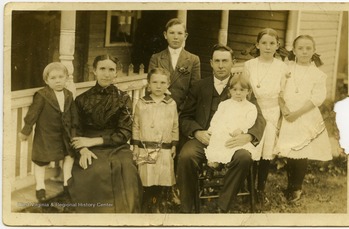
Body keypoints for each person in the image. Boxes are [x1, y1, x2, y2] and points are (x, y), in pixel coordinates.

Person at [177, 44, 266, 213]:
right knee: (186, 156)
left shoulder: (241, 86)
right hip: (205, 137)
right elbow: (185, 117)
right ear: (210, 63)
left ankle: (222, 206)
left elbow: (259, 117)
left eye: (225, 61)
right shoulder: (199, 86)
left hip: (233, 140)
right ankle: (187, 210)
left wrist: (248, 136)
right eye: (216, 61)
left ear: (233, 62)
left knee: (244, 157)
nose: (220, 65)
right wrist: (197, 132)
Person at [68, 54, 143, 213]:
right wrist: (82, 149)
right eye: (102, 69)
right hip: (89, 148)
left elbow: (124, 133)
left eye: (111, 70)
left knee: (127, 169)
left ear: (116, 73)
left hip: (116, 145)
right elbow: (75, 129)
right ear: (94, 70)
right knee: (96, 170)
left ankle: (126, 219)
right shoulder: (81, 100)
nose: (106, 74)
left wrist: (92, 141)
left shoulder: (123, 99)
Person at [276, 35, 332, 202]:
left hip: (305, 115)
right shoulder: (286, 69)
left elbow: (317, 98)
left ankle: (296, 188)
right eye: (300, 48)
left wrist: (297, 113)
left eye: (308, 48)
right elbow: (278, 90)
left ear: (314, 51)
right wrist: (284, 109)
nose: (304, 51)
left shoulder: (318, 74)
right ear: (294, 50)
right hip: (288, 114)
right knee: (290, 151)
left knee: (301, 151)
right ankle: (290, 186)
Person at [18, 62, 78, 203]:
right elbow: (33, 114)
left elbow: (73, 113)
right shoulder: (42, 95)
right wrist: (25, 131)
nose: (57, 80)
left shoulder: (68, 94)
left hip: (65, 133)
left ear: (66, 78)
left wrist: (75, 130)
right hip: (46, 134)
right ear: (46, 80)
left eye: (60, 77)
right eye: (53, 78)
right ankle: (40, 187)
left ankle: (66, 184)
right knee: (41, 160)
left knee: (69, 155)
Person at [243, 28, 289, 206]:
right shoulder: (250, 65)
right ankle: (249, 189)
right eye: (264, 43)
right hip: (253, 111)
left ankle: (260, 189)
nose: (268, 47)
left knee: (265, 153)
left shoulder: (282, 67)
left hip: (271, 111)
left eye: (272, 43)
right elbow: (246, 90)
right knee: (252, 149)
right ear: (257, 44)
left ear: (277, 46)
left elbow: (284, 92)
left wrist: (281, 116)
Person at [132, 68, 179, 213]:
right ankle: (148, 204)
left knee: (162, 176)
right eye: (155, 82)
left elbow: (175, 125)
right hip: (146, 147)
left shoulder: (171, 103)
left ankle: (159, 202)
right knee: (147, 177)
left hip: (164, 148)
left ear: (168, 84)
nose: (159, 86)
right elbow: (136, 125)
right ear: (149, 84)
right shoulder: (142, 103)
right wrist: (135, 145)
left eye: (162, 82)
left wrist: (174, 145)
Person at [148, 18, 201, 113]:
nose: (175, 37)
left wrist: (182, 109)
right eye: (172, 33)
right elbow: (150, 86)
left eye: (180, 33)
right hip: (159, 108)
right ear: (165, 35)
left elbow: (195, 90)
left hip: (182, 111)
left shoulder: (193, 60)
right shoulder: (156, 58)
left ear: (185, 36)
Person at [205, 74, 258, 167]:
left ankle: (228, 160)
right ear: (230, 90)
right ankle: (216, 160)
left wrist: (241, 129)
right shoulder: (224, 104)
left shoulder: (250, 107)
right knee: (218, 138)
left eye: (242, 90)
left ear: (248, 91)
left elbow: (250, 121)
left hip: (236, 133)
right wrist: (211, 129)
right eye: (235, 89)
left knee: (234, 145)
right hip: (223, 130)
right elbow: (216, 118)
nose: (238, 93)